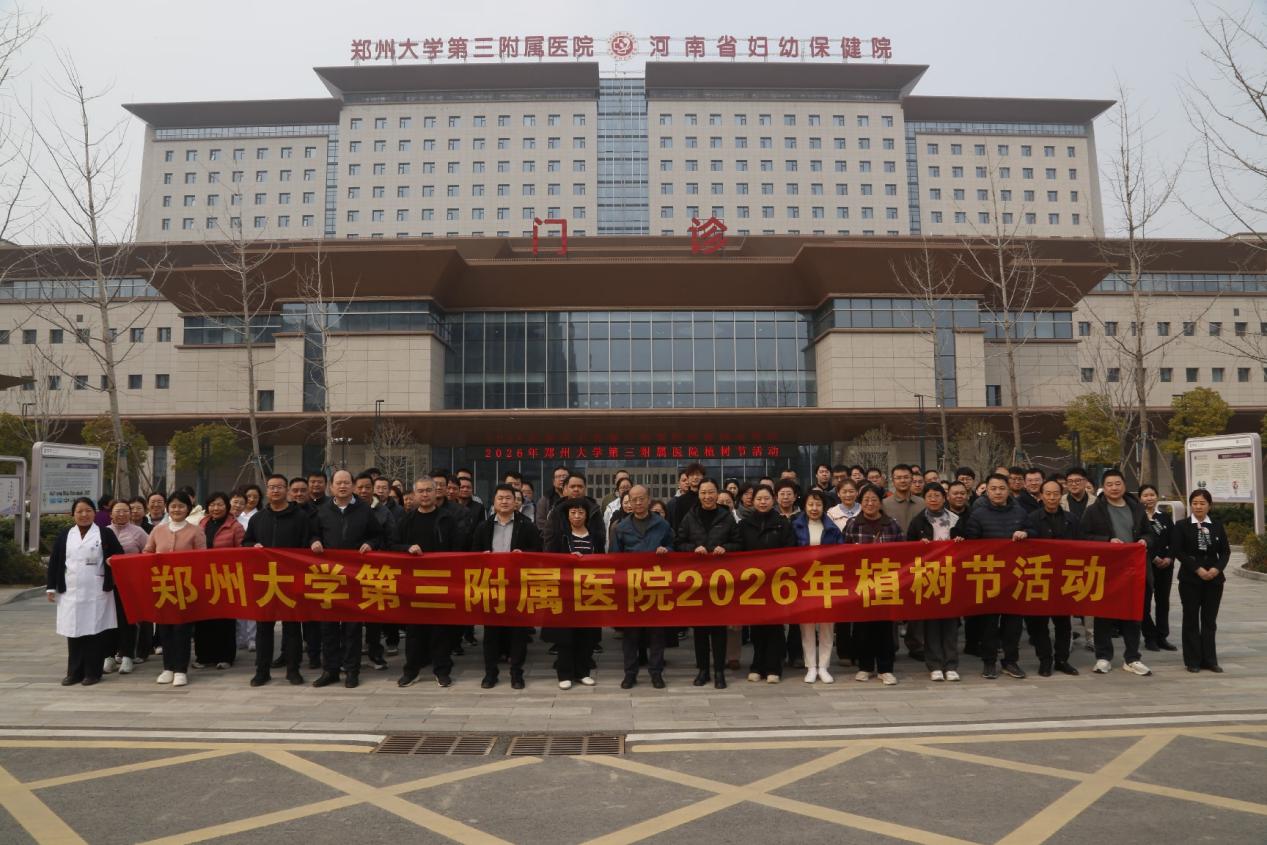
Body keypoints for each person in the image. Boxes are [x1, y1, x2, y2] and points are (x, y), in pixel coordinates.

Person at [308, 468, 383, 689]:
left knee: (352, 627)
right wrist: (314, 541)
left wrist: (370, 543)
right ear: (331, 487)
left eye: (346, 482)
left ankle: (352, 671)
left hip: (355, 576)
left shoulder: (364, 510)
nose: (342, 486)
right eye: (338, 483)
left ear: (353, 486)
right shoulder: (322, 511)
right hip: (329, 577)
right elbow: (312, 534)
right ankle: (330, 670)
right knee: (328, 626)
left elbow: (378, 535)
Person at [1079, 468, 1154, 676]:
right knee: (1104, 614)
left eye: (1118, 483)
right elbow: (1083, 537)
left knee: (1133, 614)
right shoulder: (1094, 510)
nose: (1114, 488)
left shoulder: (1136, 508)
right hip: (1107, 570)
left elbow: (1149, 533)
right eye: (1109, 484)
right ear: (1103, 487)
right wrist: (1107, 541)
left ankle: (1132, 658)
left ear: (1124, 485)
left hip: (1133, 570)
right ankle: (1103, 657)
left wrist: (1144, 541)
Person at [470, 483, 542, 689]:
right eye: (500, 498)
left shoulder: (526, 525)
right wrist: (481, 556)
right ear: (493, 501)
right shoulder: (484, 526)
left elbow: (538, 551)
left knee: (518, 633)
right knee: (491, 633)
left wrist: (524, 555)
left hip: (517, 587)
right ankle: (490, 673)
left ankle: (516, 673)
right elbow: (473, 553)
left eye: (508, 498)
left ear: (516, 502)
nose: (504, 501)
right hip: (491, 586)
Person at [47, 497, 124, 686]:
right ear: (73, 514)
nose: (84, 514)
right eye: (79, 511)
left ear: (94, 513)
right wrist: (51, 587)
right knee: (73, 632)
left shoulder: (105, 534)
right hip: (70, 591)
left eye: (88, 510)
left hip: (96, 591)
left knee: (94, 632)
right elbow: (55, 561)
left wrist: (112, 562)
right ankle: (74, 672)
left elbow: (120, 556)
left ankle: (93, 672)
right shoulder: (65, 535)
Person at [962, 473, 1030, 680]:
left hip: (1014, 577)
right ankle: (989, 662)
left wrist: (1027, 533)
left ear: (1008, 490)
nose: (998, 492)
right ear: (987, 491)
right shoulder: (978, 514)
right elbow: (971, 544)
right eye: (993, 488)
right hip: (989, 577)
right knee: (988, 624)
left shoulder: (1020, 512)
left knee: (1013, 624)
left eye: (1002, 488)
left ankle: (1011, 661)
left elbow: (1034, 531)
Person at [392, 475, 459, 688]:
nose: (425, 494)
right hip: (414, 583)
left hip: (441, 581)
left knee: (441, 630)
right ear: (414, 494)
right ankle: (411, 670)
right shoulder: (406, 520)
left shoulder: (447, 519)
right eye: (420, 491)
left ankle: (442, 670)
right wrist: (407, 548)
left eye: (429, 490)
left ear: (436, 492)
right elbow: (392, 546)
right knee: (414, 630)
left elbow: (458, 549)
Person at [243, 473, 308, 686]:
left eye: (279, 487)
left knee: (292, 628)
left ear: (287, 490)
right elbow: (246, 542)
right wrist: (252, 546)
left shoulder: (300, 517)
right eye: (271, 487)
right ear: (267, 490)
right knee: (263, 628)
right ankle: (262, 671)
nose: (275, 490)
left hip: (291, 580)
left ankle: (293, 669)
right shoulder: (258, 518)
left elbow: (307, 544)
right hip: (265, 581)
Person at [674, 478, 739, 689]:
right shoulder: (690, 516)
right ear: (698, 494)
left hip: (720, 581)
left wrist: (726, 548)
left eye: (711, 492)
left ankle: (719, 671)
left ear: (717, 493)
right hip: (697, 581)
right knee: (700, 629)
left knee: (719, 629)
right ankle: (703, 670)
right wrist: (693, 548)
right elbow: (678, 542)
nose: (707, 496)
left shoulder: (726, 516)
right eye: (703, 493)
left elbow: (739, 542)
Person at [609, 484, 674, 689]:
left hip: (656, 585)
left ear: (648, 499)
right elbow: (614, 558)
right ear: (627, 502)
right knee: (631, 634)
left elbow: (674, 547)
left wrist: (667, 549)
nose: (638, 503)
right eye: (633, 499)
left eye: (641, 499)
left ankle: (656, 672)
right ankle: (630, 673)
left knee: (657, 633)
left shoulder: (662, 524)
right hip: (631, 587)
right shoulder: (621, 528)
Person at [144, 491, 207, 687]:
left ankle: (181, 669)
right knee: (165, 629)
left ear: (188, 509)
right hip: (163, 587)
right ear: (168, 508)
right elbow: (147, 552)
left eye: (181, 506)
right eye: (173, 506)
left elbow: (202, 558)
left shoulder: (196, 531)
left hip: (186, 588)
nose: (177, 509)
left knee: (182, 629)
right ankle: (167, 668)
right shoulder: (158, 530)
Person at [842, 485, 902, 685]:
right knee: (863, 628)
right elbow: (842, 553)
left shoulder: (891, 524)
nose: (870, 503)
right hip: (861, 584)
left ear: (880, 502)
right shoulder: (853, 524)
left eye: (874, 500)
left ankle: (886, 668)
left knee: (885, 627)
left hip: (886, 583)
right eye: (866, 500)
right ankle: (865, 667)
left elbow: (903, 553)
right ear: (861, 502)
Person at [737, 485, 796, 684]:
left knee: (775, 627)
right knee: (757, 627)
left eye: (766, 498)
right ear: (752, 501)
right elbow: (738, 551)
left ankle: (773, 667)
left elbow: (791, 550)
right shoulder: (744, 525)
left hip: (776, 582)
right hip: (753, 585)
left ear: (773, 500)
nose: (763, 502)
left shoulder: (782, 523)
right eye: (759, 499)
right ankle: (757, 666)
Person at [906, 483, 964, 681]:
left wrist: (961, 541)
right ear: (924, 499)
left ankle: (951, 664)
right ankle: (935, 665)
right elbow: (907, 549)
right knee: (931, 623)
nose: (933, 499)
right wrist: (918, 546)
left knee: (950, 623)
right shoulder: (918, 521)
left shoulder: (956, 519)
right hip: (928, 577)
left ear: (944, 497)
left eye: (937, 495)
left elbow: (970, 545)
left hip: (952, 576)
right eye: (929, 496)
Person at [1023, 479, 1082, 676]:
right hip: (1039, 576)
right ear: (1041, 496)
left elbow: (1082, 546)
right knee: (1039, 623)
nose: (1051, 497)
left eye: (1055, 493)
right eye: (1047, 494)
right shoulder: (1031, 519)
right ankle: (1045, 660)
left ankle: (1062, 659)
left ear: (1061, 495)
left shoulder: (1071, 519)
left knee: (1063, 623)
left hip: (1064, 577)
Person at [545, 497, 601, 690]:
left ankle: (583, 672)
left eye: (581, 512)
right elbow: (550, 559)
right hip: (565, 592)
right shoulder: (560, 535)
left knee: (586, 635)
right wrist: (567, 559)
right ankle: (564, 673)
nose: (577, 516)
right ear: (567, 515)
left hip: (589, 591)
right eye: (573, 513)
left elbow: (602, 559)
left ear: (587, 515)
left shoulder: (594, 535)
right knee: (565, 636)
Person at [1171, 489, 1230, 673]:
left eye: (1202, 503)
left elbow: (1225, 552)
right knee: (1190, 619)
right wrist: (1197, 569)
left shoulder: (1217, 526)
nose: (1198, 506)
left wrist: (1216, 569)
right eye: (1195, 503)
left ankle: (1210, 660)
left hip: (1214, 580)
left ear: (1209, 506)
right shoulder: (1181, 526)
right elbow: (1178, 551)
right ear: (1190, 505)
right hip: (1190, 579)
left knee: (1209, 621)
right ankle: (1193, 661)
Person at [793, 490, 843, 684]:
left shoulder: (833, 528)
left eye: (818, 505)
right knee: (806, 626)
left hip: (827, 581)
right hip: (804, 582)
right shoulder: (796, 526)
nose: (814, 508)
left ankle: (823, 666)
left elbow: (842, 554)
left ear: (824, 507)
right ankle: (811, 667)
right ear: (805, 506)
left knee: (827, 625)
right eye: (810, 504)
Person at [192, 492, 242, 671]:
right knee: (204, 618)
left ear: (227, 506)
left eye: (220, 504)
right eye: (212, 504)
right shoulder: (202, 523)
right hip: (203, 576)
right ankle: (204, 656)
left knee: (225, 619)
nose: (216, 508)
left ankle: (225, 656)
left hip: (226, 577)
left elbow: (242, 551)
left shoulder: (235, 526)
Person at [104, 501, 147, 675]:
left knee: (127, 620)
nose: (121, 514)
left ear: (130, 513)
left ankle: (128, 655)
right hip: (108, 584)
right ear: (110, 514)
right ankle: (109, 656)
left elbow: (148, 553)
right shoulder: (103, 532)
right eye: (117, 511)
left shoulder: (138, 532)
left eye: (125, 511)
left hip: (130, 584)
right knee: (108, 620)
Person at [1139, 485, 1178, 653]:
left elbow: (1174, 540)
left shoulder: (1165, 517)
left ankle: (1162, 636)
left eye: (1152, 494)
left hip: (1166, 566)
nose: (1149, 498)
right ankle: (1150, 636)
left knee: (1163, 602)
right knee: (1144, 603)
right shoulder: (1138, 518)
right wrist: (1153, 557)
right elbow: (1137, 540)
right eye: (1145, 495)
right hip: (1146, 565)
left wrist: (1169, 557)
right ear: (1140, 498)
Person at [535, 465, 570, 532]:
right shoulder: (545, 500)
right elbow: (540, 523)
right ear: (553, 481)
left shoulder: (575, 497)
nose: (562, 479)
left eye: (564, 476)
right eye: (558, 477)